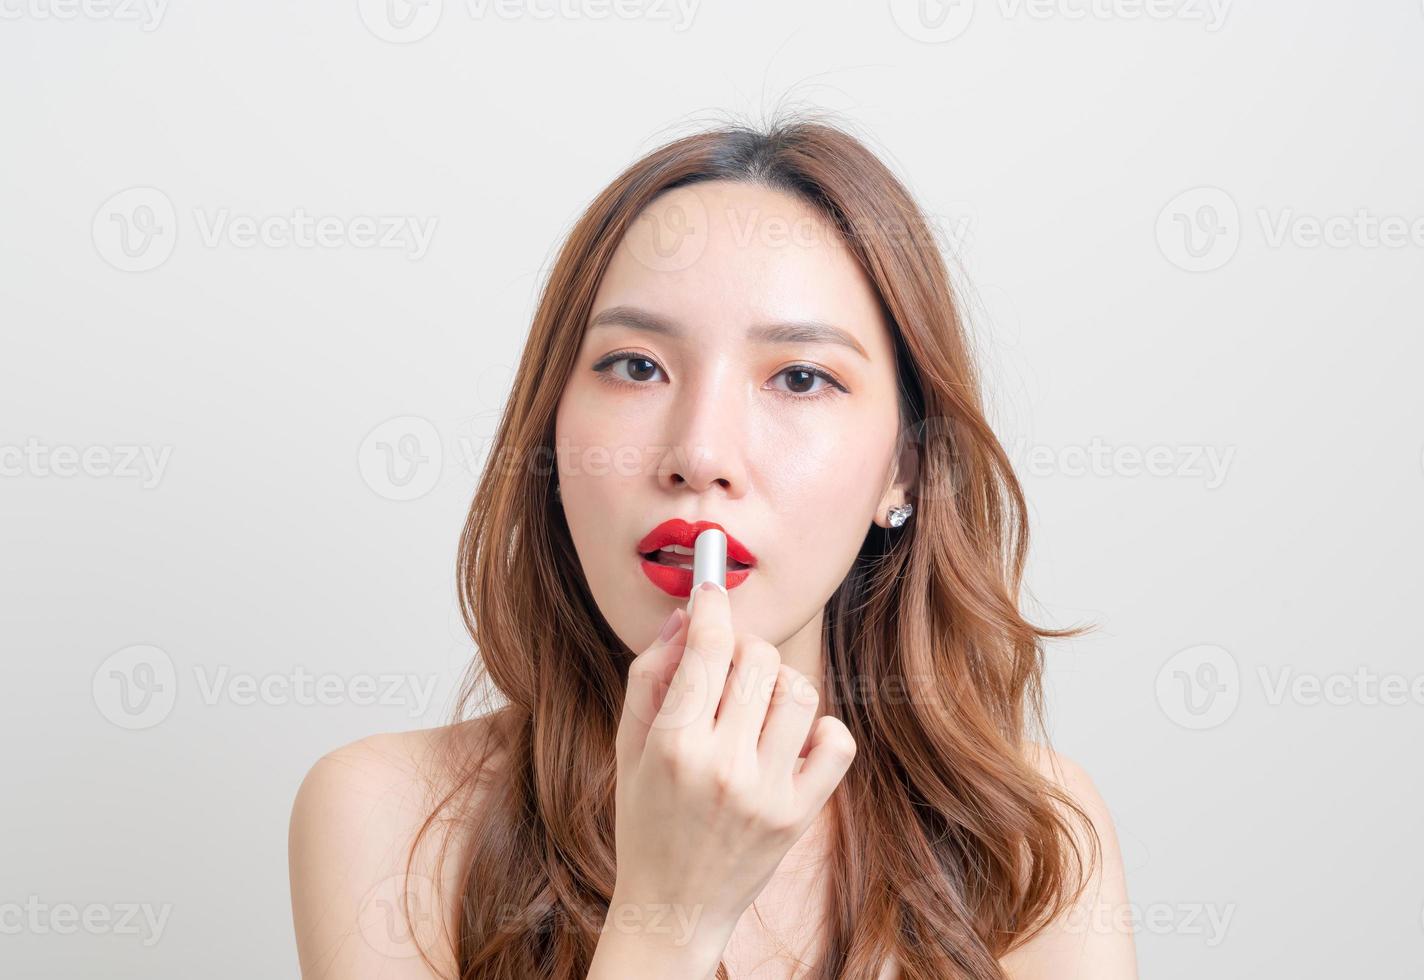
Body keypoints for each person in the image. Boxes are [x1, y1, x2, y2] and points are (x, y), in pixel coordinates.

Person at [289, 113, 1137, 980]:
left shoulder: (1031, 838)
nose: (699, 455)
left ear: (905, 472)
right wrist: (669, 921)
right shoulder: (391, 815)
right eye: (635, 366)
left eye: (800, 378)